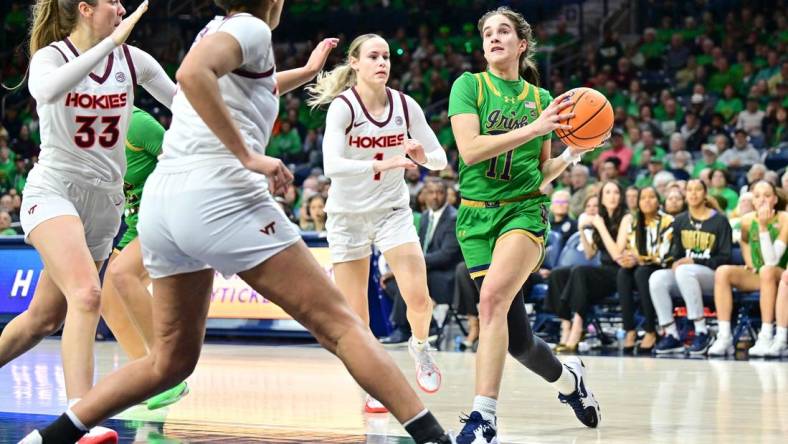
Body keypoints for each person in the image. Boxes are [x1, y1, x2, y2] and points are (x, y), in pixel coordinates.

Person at [22, 2, 455, 444]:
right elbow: (192, 75)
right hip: (219, 195)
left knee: (168, 363)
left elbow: (247, 86)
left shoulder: (219, 27)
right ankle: (436, 439)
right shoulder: (252, 28)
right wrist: (247, 155)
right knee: (343, 326)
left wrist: (305, 72)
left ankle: (48, 438)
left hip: (164, 204)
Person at [4, 1, 175, 442]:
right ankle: (80, 419)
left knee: (42, 318)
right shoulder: (51, 56)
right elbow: (44, 91)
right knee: (87, 295)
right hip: (54, 190)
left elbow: (187, 103)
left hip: (105, 204)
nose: (121, 8)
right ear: (85, 9)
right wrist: (110, 44)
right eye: (112, 1)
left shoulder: (135, 61)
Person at [448, 7, 600, 442]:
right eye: (488, 33)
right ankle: (571, 381)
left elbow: (541, 170)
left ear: (522, 45)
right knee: (520, 343)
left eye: (504, 32)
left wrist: (569, 156)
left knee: (491, 300)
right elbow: (471, 149)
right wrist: (535, 127)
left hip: (523, 211)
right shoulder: (469, 86)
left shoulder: (541, 100)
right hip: (476, 217)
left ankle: (484, 419)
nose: (494, 38)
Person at [306, 32, 448, 412]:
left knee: (419, 297)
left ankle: (420, 347)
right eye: (373, 56)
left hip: (391, 212)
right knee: (357, 319)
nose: (382, 63)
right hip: (347, 217)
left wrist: (421, 155)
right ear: (355, 63)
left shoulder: (405, 105)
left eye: (386, 56)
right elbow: (330, 166)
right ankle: (373, 386)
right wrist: (381, 163)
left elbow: (441, 160)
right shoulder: (344, 108)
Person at [97, 107, 189, 411]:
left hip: (166, 215)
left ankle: (170, 371)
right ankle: (148, 377)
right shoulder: (89, 129)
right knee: (107, 299)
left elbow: (183, 162)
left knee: (123, 274)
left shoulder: (137, 124)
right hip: (133, 224)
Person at [650, 179, 731, 355]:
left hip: (713, 276)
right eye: (690, 190)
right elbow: (676, 253)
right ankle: (671, 334)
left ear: (705, 194)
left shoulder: (720, 221)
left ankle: (701, 330)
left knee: (685, 270)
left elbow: (725, 258)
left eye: (698, 190)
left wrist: (694, 262)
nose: (693, 193)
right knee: (657, 278)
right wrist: (673, 262)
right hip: (684, 275)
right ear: (685, 195)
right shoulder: (679, 221)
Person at [709, 181, 788, 357]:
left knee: (767, 270)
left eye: (767, 195)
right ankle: (725, 337)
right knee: (723, 272)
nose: (762, 200)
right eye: (757, 196)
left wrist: (762, 226)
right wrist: (750, 261)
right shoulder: (745, 221)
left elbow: (772, 260)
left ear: (775, 199)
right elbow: (744, 240)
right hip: (760, 274)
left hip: (780, 273)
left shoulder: (785, 219)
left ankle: (766, 335)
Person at [380, 178, 462, 344]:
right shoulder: (425, 217)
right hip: (427, 270)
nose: (435, 197)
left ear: (446, 195)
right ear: (424, 195)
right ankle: (427, 324)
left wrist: (411, 266)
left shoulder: (454, 217)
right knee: (391, 284)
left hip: (445, 275)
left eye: (439, 193)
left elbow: (446, 255)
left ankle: (403, 329)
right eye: (431, 193)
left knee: (410, 280)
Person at [616, 186, 674, 354]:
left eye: (651, 197)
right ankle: (630, 329)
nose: (647, 201)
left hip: (662, 266)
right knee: (623, 274)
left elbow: (664, 254)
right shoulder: (635, 223)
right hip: (640, 265)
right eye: (643, 198)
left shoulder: (668, 221)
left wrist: (638, 259)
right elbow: (629, 248)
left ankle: (651, 330)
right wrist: (627, 259)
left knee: (642, 273)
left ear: (658, 201)